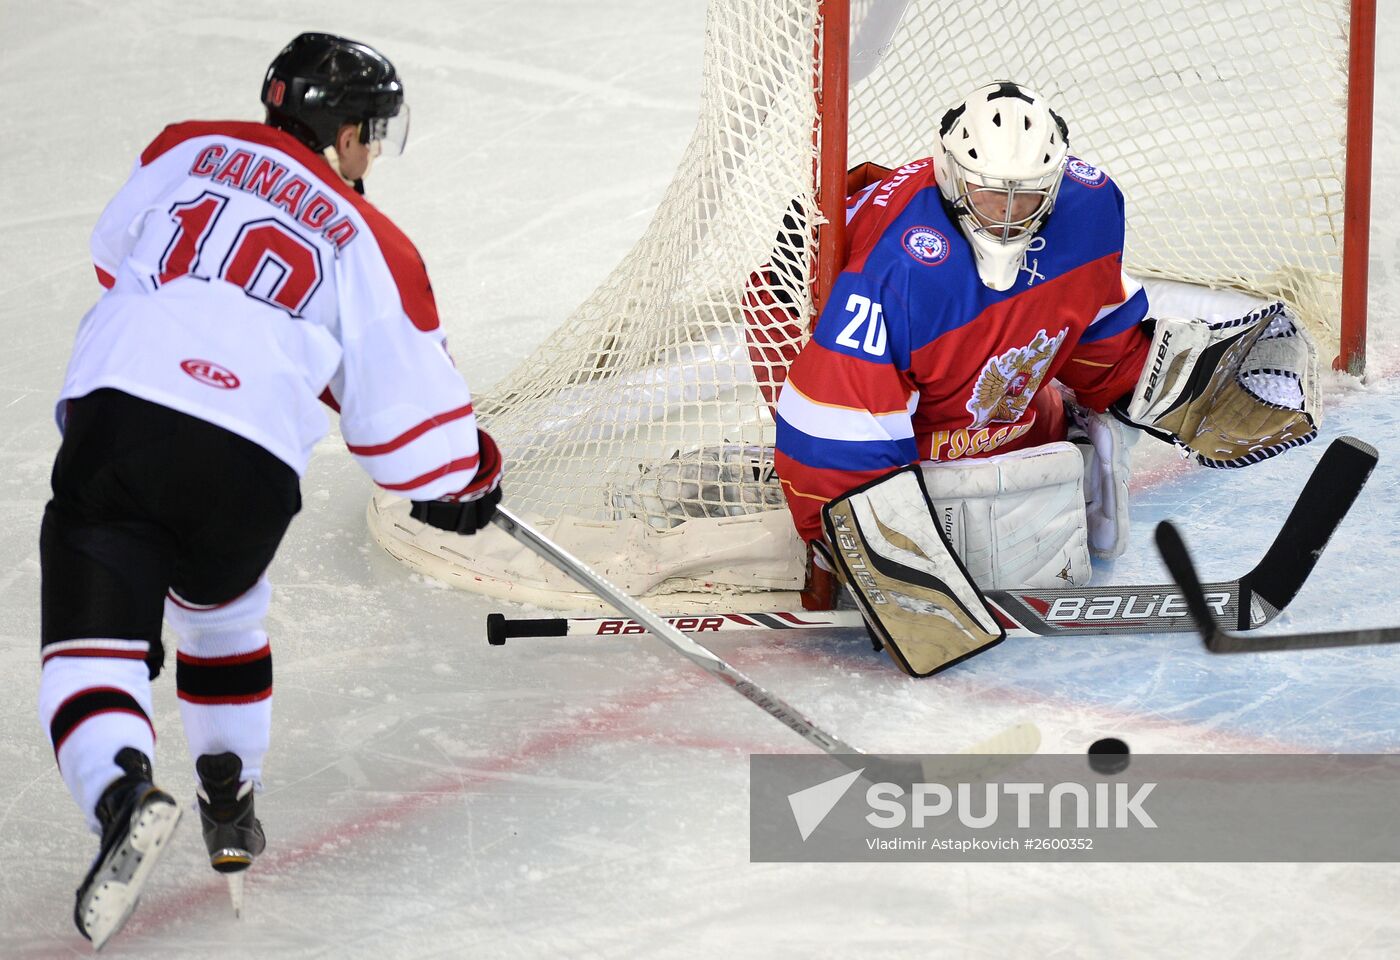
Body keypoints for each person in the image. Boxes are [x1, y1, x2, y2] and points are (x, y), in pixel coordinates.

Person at [40, 33, 502, 948]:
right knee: (221, 614)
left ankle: (123, 792)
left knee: (92, 652)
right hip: (246, 459)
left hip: (122, 414)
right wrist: (471, 476)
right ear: (342, 132)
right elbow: (416, 444)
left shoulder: (183, 145)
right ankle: (228, 805)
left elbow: (116, 255)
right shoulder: (375, 242)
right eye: (373, 132)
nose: (374, 152)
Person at [772, 80, 1319, 677]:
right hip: (812, 335)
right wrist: (869, 560)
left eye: (1025, 198)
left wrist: (1159, 384)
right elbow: (833, 436)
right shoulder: (895, 270)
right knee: (949, 513)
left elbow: (1087, 320)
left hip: (951, 382)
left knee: (1016, 455)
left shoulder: (1089, 205)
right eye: (989, 197)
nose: (1007, 218)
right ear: (952, 180)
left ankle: (1067, 428)